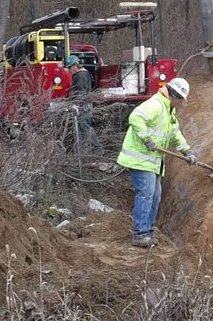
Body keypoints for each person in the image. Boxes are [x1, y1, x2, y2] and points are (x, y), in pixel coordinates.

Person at [116, 77, 198, 248]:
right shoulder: (155, 105)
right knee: (146, 195)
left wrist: (187, 151)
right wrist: (147, 139)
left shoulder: (169, 110)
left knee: (155, 197)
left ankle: (148, 230)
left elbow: (175, 134)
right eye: (181, 100)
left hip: (153, 162)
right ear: (174, 96)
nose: (181, 103)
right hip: (140, 159)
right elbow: (135, 117)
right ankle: (140, 234)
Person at [65, 55, 103, 153]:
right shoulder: (83, 74)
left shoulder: (81, 75)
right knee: (82, 130)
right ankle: (83, 152)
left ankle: (97, 148)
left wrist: (76, 104)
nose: (69, 70)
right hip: (84, 106)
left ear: (74, 66)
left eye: (70, 67)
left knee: (85, 128)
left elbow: (81, 92)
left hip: (83, 106)